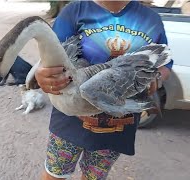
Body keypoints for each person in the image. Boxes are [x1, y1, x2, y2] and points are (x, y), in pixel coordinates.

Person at [35, 1, 174, 180]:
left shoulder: (151, 19)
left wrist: (157, 77)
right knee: (55, 174)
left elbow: (165, 64)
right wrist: (43, 74)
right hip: (70, 117)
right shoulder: (74, 11)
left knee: (94, 177)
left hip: (117, 123)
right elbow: (52, 57)